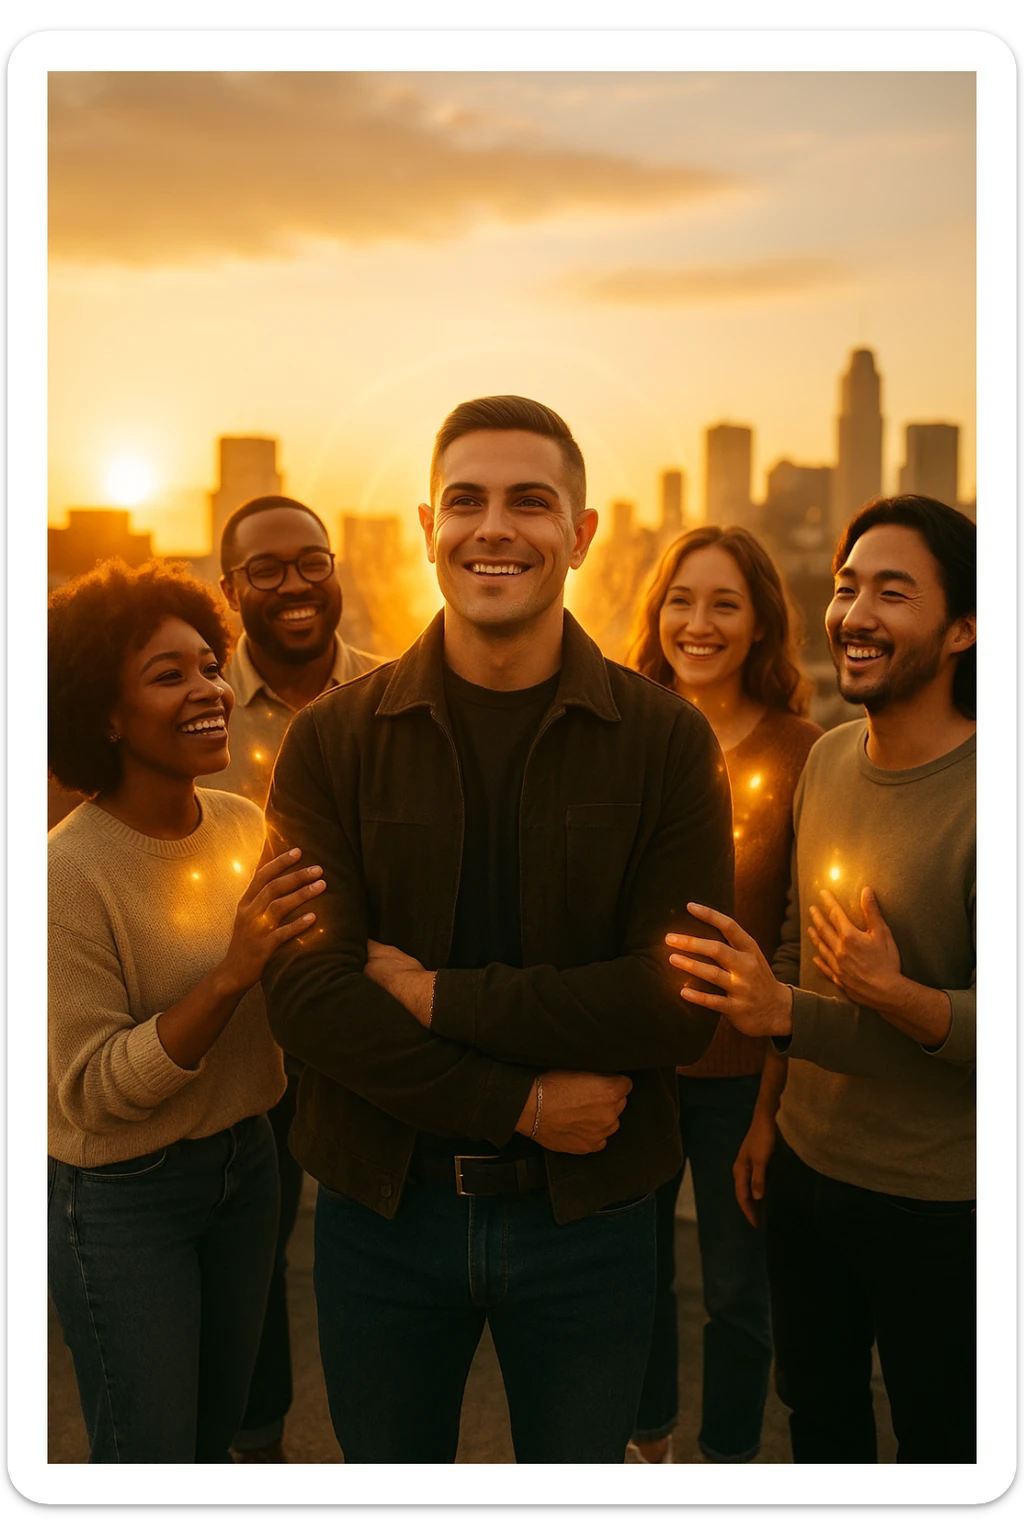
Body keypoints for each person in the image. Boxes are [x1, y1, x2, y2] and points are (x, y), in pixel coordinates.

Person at [259, 394, 735, 1464]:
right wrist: (518, 1104)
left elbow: (673, 1004)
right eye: (466, 501)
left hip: (592, 1218)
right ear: (428, 527)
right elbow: (306, 995)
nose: (494, 528)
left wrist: (435, 995)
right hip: (383, 1213)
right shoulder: (332, 740)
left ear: (581, 532)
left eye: (529, 501)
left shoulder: (666, 741)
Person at [666, 495, 977, 1464]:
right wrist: (769, 1116)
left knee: (941, 1442)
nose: (856, 615)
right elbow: (797, 960)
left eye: (894, 592)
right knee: (819, 1421)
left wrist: (899, 997)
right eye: (847, 589)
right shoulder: (831, 759)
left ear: (964, 629)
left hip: (943, 1204)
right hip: (807, 1171)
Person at [47, 559, 327, 1463]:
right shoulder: (66, 873)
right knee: (149, 1452)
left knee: (214, 1439)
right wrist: (232, 975)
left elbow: (299, 982)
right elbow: (92, 1091)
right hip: (124, 1197)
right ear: (104, 714)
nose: (210, 689)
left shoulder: (243, 822)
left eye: (210, 665)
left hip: (249, 1168)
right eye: (169, 676)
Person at [622, 526, 821, 1464]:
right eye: (681, 600)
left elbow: (796, 944)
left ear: (760, 625)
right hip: (634, 1060)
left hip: (745, 1078)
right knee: (636, 1274)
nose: (698, 623)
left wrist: (772, 1106)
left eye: (725, 604)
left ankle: (727, 1462)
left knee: (742, 1291)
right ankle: (647, 1444)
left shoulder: (801, 751)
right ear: (657, 614)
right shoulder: (624, 734)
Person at [197, 494, 384, 1463]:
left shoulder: (393, 694)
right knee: (248, 1257)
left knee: (384, 1236)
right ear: (230, 590)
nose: (295, 584)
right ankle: (255, 1444)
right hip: (246, 1026)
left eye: (311, 561)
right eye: (265, 570)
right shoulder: (197, 708)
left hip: (371, 1012)